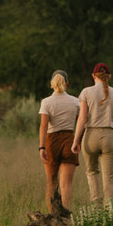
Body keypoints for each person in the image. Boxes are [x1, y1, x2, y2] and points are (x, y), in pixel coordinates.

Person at [71, 62, 113, 207]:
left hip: (90, 136)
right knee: (110, 178)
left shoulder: (86, 92)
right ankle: (109, 210)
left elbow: (82, 118)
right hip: (109, 136)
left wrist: (76, 141)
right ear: (109, 76)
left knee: (92, 172)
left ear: (93, 75)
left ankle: (96, 207)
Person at [37, 70, 80, 215]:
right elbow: (82, 122)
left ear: (52, 84)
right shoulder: (75, 101)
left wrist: (41, 147)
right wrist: (79, 140)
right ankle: (67, 216)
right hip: (69, 139)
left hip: (51, 141)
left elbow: (43, 126)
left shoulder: (46, 102)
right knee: (66, 184)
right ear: (67, 83)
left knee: (51, 182)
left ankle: (52, 215)